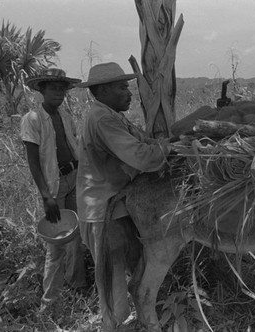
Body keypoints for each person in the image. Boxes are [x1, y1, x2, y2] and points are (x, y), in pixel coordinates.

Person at [75, 62, 170, 330]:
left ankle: (130, 318)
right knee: (112, 275)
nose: (129, 92)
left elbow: (144, 141)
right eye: (122, 87)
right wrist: (167, 151)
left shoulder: (112, 115)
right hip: (102, 209)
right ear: (103, 90)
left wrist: (167, 143)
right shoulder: (103, 119)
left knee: (132, 263)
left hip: (116, 204)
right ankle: (112, 324)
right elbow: (139, 155)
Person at [20, 68, 89, 314]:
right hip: (54, 185)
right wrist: (46, 196)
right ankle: (49, 306)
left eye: (62, 89)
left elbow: (74, 146)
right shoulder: (33, 118)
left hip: (72, 178)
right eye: (53, 88)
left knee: (76, 235)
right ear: (42, 90)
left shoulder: (64, 116)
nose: (58, 93)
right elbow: (33, 161)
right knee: (57, 244)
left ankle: (77, 284)